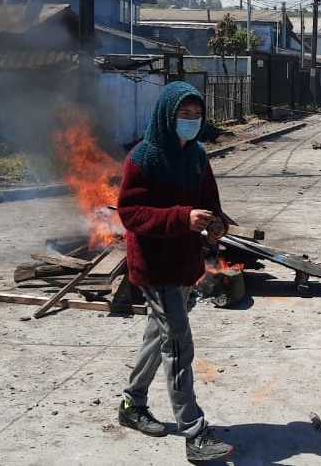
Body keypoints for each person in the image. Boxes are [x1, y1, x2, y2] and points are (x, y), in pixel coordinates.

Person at [116, 81, 233, 462]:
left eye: (197, 115)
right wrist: (183, 217)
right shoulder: (143, 157)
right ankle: (194, 431)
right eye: (184, 114)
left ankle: (132, 405)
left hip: (185, 263)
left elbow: (210, 202)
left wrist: (217, 224)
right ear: (168, 115)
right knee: (179, 344)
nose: (191, 121)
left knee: (158, 335)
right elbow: (131, 214)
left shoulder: (198, 156)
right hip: (155, 266)